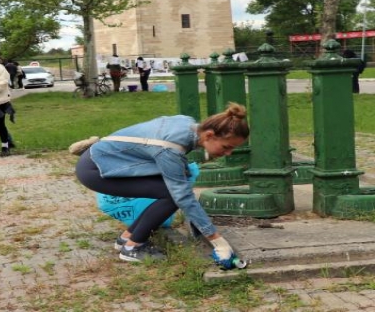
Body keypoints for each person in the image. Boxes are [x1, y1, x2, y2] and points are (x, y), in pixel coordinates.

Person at [75, 102, 249, 264]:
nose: (229, 153)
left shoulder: (188, 124)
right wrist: (217, 240)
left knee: (170, 192)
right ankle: (133, 247)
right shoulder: (170, 148)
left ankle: (127, 239)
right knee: (173, 195)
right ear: (209, 135)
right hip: (96, 171)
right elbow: (183, 196)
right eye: (226, 147)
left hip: (101, 160)